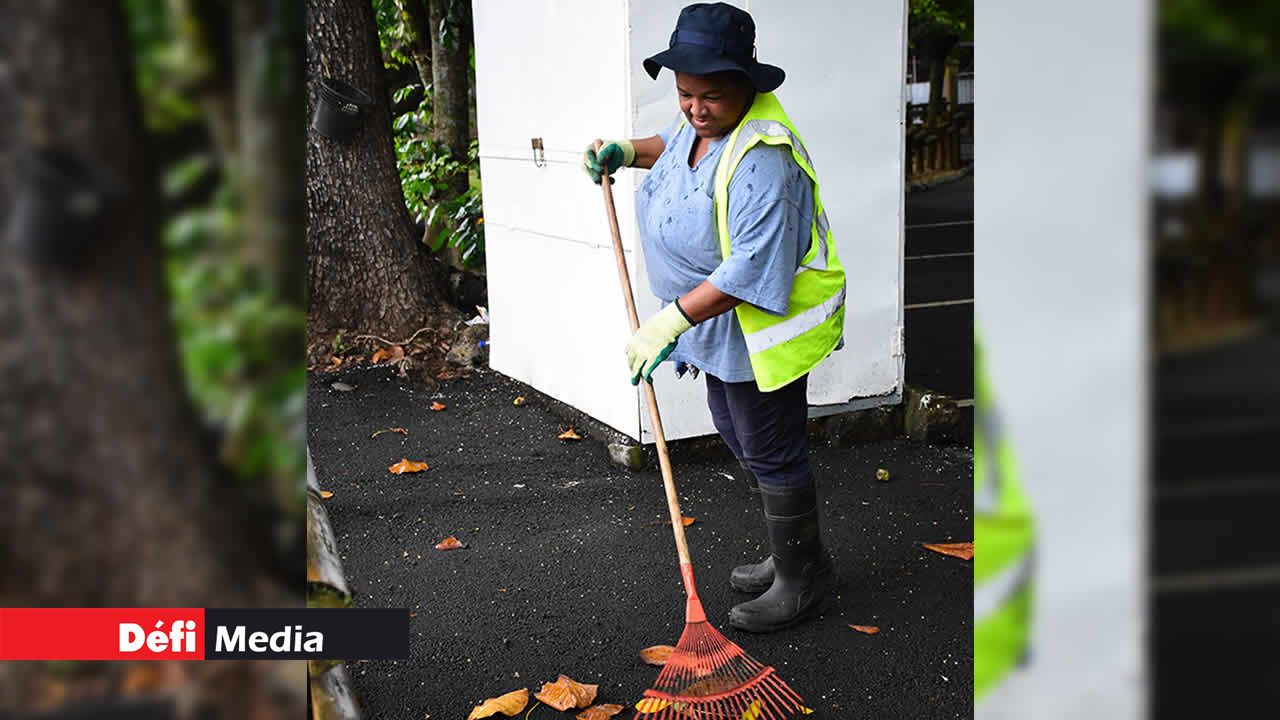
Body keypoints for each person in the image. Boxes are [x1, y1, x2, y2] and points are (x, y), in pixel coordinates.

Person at [582, 2, 846, 633]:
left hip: (759, 329)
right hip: (717, 329)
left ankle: (803, 577)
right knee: (738, 433)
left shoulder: (765, 159)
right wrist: (623, 150)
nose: (696, 108)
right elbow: (671, 148)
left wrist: (668, 322)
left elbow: (750, 268)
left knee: (770, 445)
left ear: (746, 87)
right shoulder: (701, 126)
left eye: (711, 97)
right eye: (684, 94)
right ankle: (791, 554)